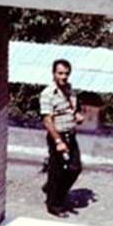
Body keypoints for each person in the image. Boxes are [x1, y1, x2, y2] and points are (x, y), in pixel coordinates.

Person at [39, 58, 83, 216]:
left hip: (71, 134)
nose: (63, 77)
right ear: (53, 74)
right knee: (57, 170)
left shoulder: (70, 90)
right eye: (60, 73)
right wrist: (58, 141)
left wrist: (77, 115)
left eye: (66, 74)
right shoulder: (48, 94)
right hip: (57, 136)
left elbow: (74, 108)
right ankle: (54, 204)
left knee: (75, 168)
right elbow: (47, 119)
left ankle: (53, 189)